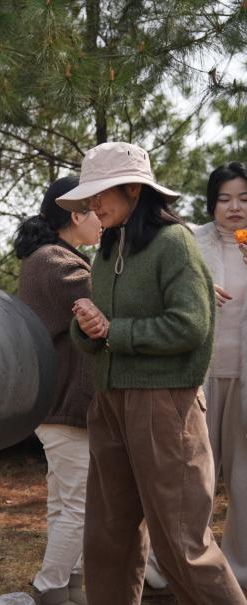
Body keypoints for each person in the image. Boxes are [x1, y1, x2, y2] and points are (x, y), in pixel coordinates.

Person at [59, 141, 246, 605]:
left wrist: (114, 331)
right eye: (88, 196)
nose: (92, 204)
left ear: (133, 190)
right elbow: (100, 330)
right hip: (109, 403)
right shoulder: (107, 249)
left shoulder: (174, 243)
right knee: (108, 539)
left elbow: (190, 325)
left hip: (164, 406)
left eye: (100, 193)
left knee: (182, 545)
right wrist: (87, 327)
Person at [15, 176, 101, 605]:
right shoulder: (57, 264)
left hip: (56, 403)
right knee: (81, 505)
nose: (103, 219)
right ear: (76, 215)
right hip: (65, 404)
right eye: (97, 210)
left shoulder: (53, 257)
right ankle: (49, 588)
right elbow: (115, 301)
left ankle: (72, 587)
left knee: (65, 503)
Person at [191, 161, 247, 591]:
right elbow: (170, 291)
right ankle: (187, 563)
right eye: (225, 198)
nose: (235, 207)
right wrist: (197, 288)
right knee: (196, 478)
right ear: (212, 203)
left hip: (244, 378)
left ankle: (240, 567)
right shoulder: (192, 243)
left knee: (244, 480)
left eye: (244, 198)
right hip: (203, 375)